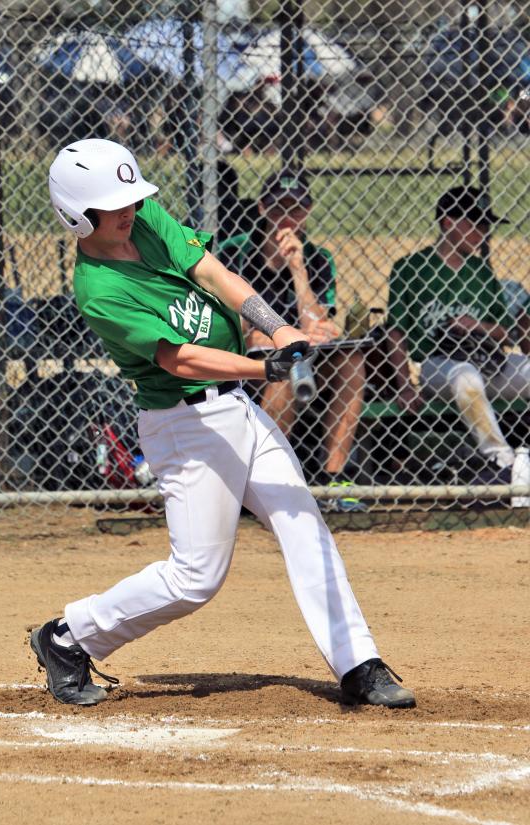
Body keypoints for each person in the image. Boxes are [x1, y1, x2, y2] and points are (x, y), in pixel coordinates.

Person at [30, 138, 415, 710]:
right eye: (114, 204)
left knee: (302, 522)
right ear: (78, 214)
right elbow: (178, 358)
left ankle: (358, 663)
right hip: (184, 424)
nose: (130, 209)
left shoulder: (145, 219)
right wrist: (262, 366)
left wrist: (276, 327)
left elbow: (212, 271)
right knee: (196, 578)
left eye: (132, 197)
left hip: (237, 407)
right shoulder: (98, 289)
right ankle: (69, 635)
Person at [218, 170, 368, 511]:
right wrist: (269, 332)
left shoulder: (316, 257)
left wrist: (298, 269)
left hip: (303, 357)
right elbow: (224, 323)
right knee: (282, 368)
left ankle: (336, 478)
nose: (287, 218)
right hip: (246, 361)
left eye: (297, 209)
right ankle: (268, 482)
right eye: (278, 209)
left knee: (351, 363)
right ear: (262, 209)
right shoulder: (236, 251)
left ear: (309, 211)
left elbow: (317, 323)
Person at [386, 186, 530, 482]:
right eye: (476, 223)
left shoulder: (481, 270)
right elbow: (396, 331)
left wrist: (475, 327)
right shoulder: (411, 268)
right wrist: (405, 385)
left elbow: (506, 334)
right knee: (466, 378)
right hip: (438, 366)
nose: (483, 231)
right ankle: (501, 461)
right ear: (449, 222)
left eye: (486, 224)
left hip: (489, 363)